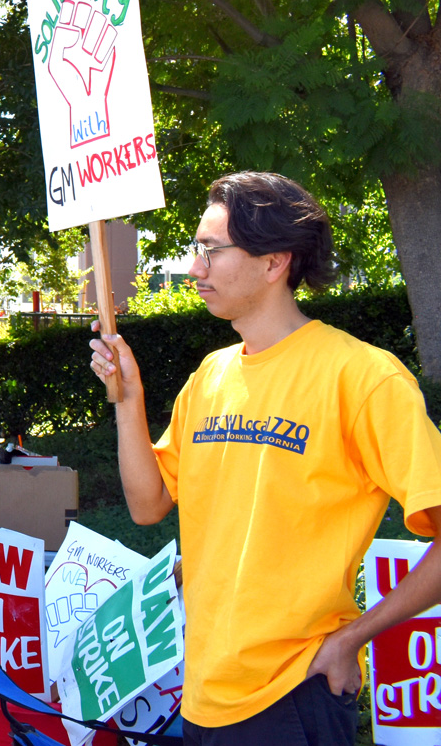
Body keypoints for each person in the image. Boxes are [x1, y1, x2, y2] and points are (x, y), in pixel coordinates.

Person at [89, 172, 441, 745]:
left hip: (294, 696)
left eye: (212, 250)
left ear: (274, 261)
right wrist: (129, 402)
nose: (195, 268)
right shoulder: (210, 376)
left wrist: (351, 639)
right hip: (201, 695)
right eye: (196, 249)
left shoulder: (364, 377)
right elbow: (148, 506)